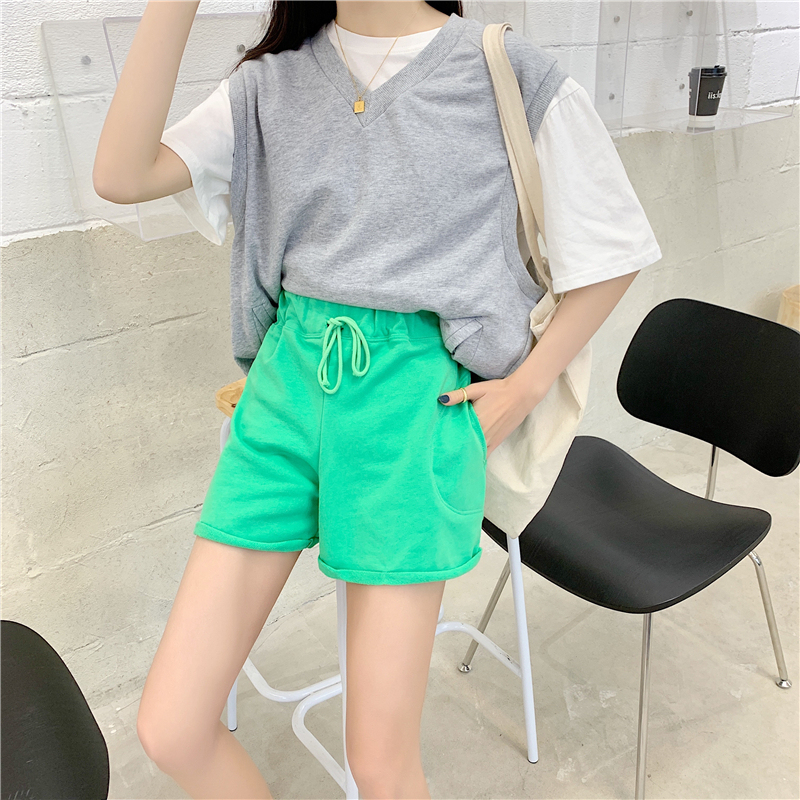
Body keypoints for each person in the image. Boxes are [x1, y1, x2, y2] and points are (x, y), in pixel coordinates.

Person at [92, 1, 662, 797]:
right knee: (172, 725)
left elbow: (613, 247)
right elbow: (121, 176)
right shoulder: (270, 85)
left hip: (413, 409)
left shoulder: (503, 70)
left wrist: (527, 386)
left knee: (380, 763)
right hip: (283, 395)